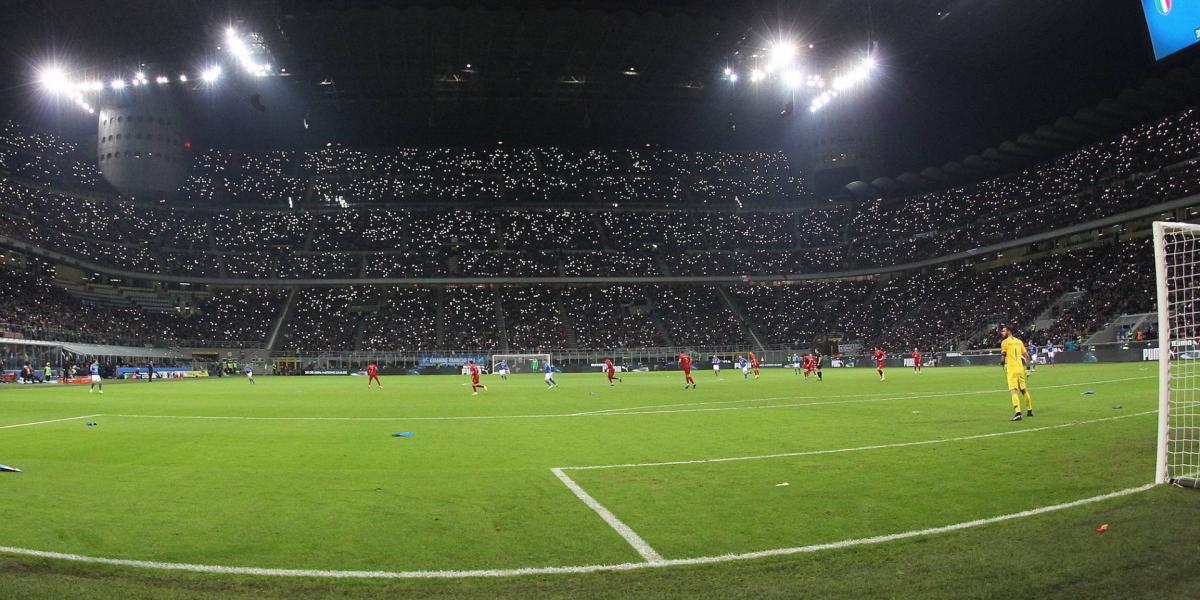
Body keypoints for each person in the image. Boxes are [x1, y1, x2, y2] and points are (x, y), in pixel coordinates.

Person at [1000, 325, 1034, 421]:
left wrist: (1002, 363)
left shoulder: (1004, 342)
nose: (1002, 333)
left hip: (1011, 369)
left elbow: (1003, 356)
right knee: (1023, 390)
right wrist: (1028, 369)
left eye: (1003, 331)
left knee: (1013, 391)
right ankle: (1030, 410)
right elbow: (1027, 356)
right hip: (1020, 369)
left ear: (1009, 331)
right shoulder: (1019, 342)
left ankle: (1018, 413)